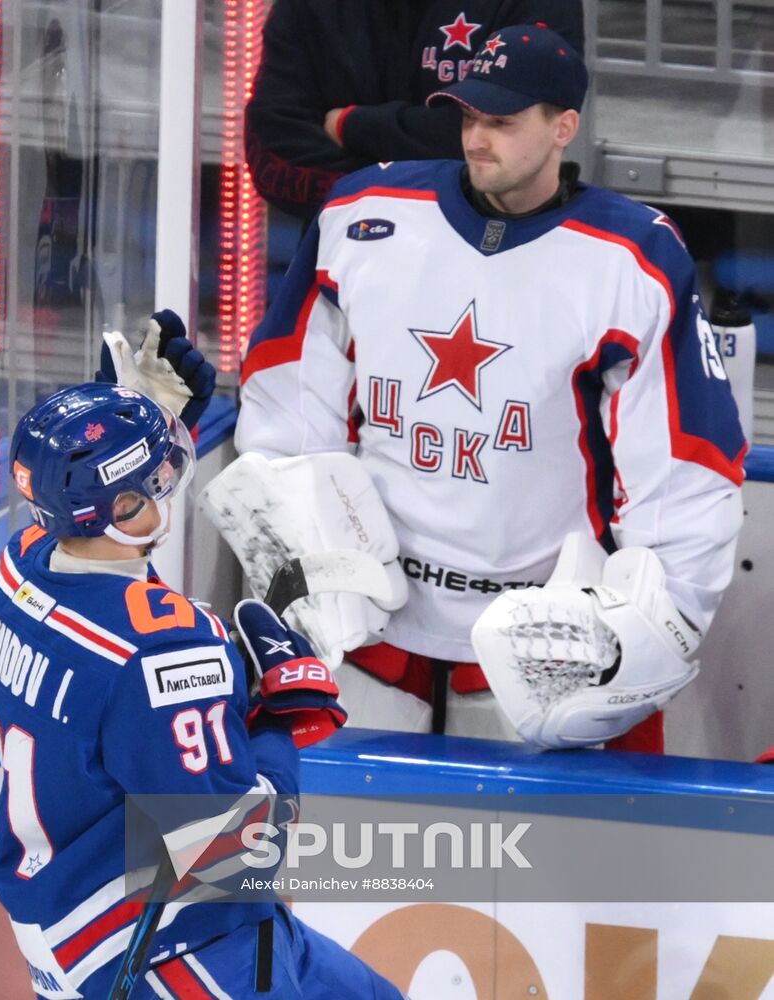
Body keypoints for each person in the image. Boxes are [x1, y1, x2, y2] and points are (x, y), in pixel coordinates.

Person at [208, 25, 746, 754]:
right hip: (367, 622)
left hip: (546, 635)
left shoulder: (632, 258)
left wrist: (658, 618)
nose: (475, 138)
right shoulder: (364, 215)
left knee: (549, 862)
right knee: (349, 855)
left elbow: (683, 464)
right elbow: (287, 397)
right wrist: (303, 553)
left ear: (564, 128)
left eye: (502, 121)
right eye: (467, 117)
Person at [0, 377, 406, 998]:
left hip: (77, 907)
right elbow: (237, 856)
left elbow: (112, 614)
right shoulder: (165, 651)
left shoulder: (20, 565)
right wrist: (277, 723)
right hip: (157, 946)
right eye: (152, 482)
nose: (166, 486)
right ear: (120, 508)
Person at [245, 0, 584, 221]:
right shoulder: (311, 9)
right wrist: (396, 204)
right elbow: (274, 145)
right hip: (347, 260)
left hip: (500, 252)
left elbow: (517, 129)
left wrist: (354, 127)